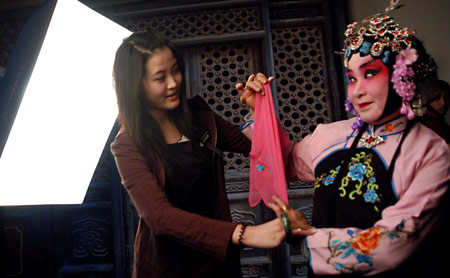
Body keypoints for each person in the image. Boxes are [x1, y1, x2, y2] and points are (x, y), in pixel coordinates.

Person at [237, 2, 450, 277]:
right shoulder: (332, 135)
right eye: (351, 77)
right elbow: (284, 161)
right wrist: (260, 111)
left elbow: (393, 243)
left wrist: (307, 238)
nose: (357, 91)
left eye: (370, 74)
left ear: (402, 76)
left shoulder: (431, 152)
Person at [110, 31, 285, 278]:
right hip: (166, 266)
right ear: (135, 85)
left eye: (176, 71)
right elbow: (159, 217)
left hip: (217, 260)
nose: (173, 83)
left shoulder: (199, 118)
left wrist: (259, 110)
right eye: (160, 77)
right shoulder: (127, 145)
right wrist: (244, 233)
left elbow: (265, 149)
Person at [420, 79, 450, 144]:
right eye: (437, 97)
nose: (443, 103)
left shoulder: (441, 121)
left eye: (446, 97)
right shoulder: (424, 124)